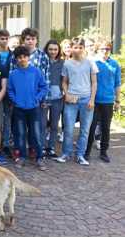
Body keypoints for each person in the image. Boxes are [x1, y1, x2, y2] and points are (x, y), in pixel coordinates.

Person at [56, 38, 98, 166]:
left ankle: (80, 155)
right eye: (75, 47)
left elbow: (94, 82)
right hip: (71, 100)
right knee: (68, 129)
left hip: (86, 100)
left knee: (85, 130)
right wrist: (67, 94)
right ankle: (66, 153)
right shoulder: (67, 64)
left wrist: (92, 100)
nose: (78, 50)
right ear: (72, 48)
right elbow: (64, 82)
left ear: (83, 48)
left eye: (80, 47)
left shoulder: (90, 63)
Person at [8, 46, 48, 170]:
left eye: (24, 57)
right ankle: (22, 157)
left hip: (34, 108)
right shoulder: (13, 74)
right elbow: (10, 90)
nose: (22, 59)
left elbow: (44, 87)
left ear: (28, 57)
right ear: (16, 59)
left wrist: (37, 98)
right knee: (20, 134)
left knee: (36, 134)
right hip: (19, 109)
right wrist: (15, 100)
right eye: (19, 57)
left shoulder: (36, 72)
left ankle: (39, 157)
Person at [85, 40, 121, 163]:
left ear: (110, 50)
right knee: (91, 127)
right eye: (102, 49)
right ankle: (87, 151)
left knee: (106, 128)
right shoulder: (93, 63)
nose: (105, 51)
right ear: (97, 50)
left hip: (108, 101)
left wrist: (117, 101)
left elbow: (117, 84)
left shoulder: (115, 64)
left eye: (107, 49)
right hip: (94, 101)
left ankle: (103, 152)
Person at [41, 40, 65, 159]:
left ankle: (50, 148)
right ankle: (41, 147)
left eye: (55, 49)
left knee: (54, 124)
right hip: (44, 97)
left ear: (59, 50)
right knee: (42, 124)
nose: (53, 52)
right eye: (50, 49)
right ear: (47, 49)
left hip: (57, 98)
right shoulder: (42, 61)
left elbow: (65, 80)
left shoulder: (63, 63)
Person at [0, 29, 13, 156]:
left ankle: (6, 144)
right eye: (2, 38)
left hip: (8, 90)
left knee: (7, 118)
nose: (4, 41)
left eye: (6, 38)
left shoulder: (12, 55)